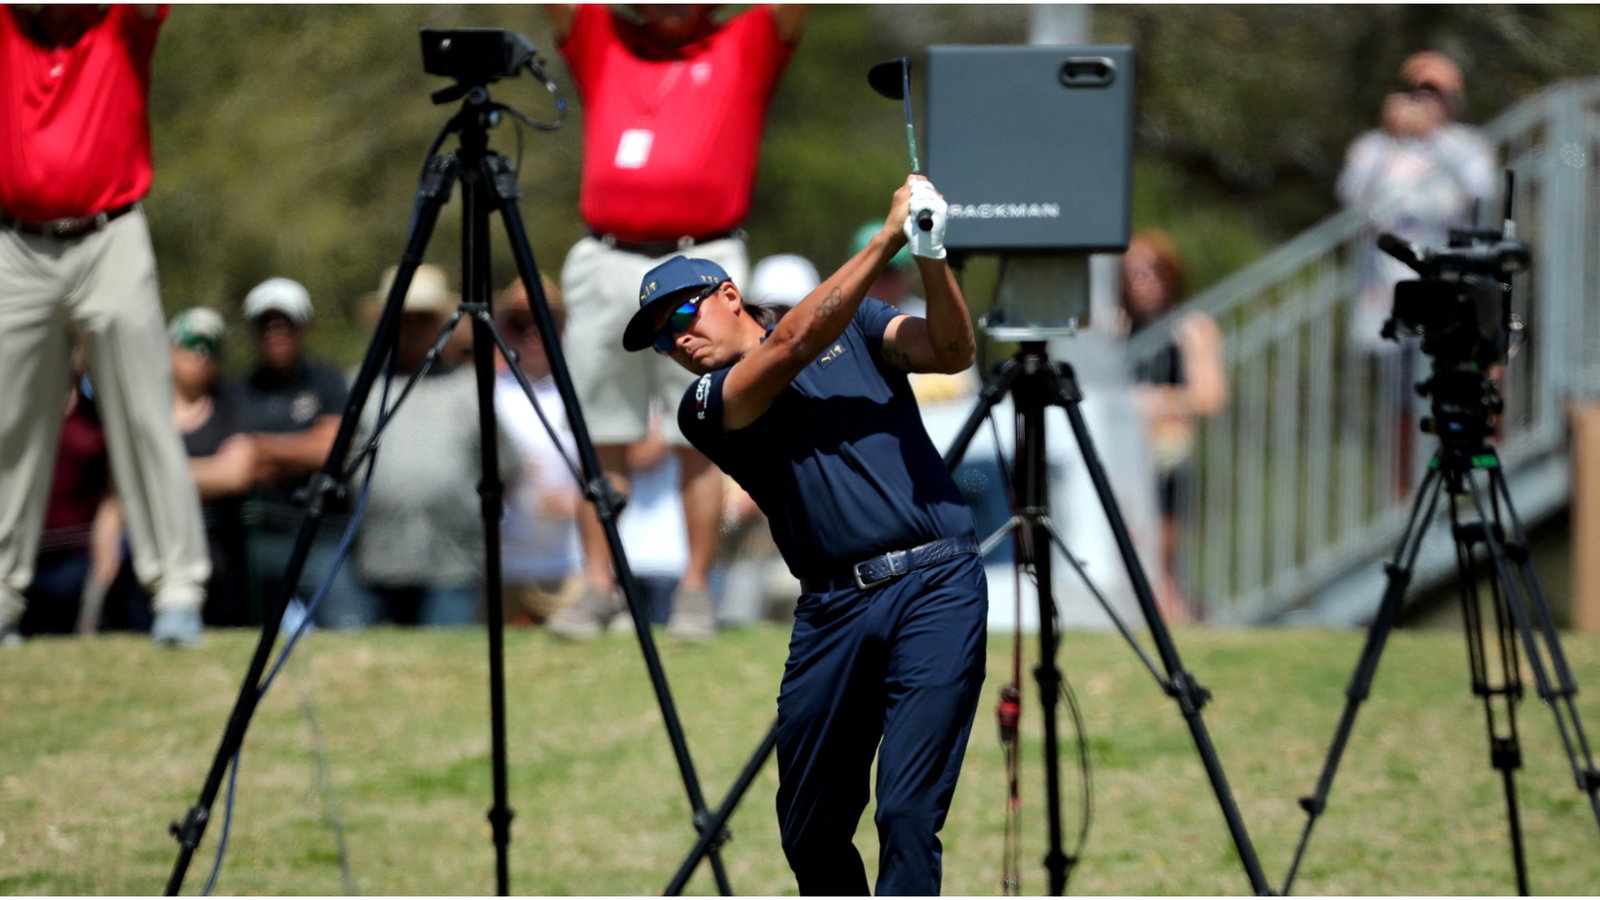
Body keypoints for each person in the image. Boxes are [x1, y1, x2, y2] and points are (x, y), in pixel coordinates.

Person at [621, 175, 985, 894]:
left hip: (935, 584)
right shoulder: (705, 404)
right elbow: (788, 346)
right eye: (661, 337)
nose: (677, 339)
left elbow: (950, 350)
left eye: (682, 314)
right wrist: (886, 238)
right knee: (810, 826)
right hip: (832, 610)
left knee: (909, 811)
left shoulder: (856, 324)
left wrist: (931, 254)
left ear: (729, 294)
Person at [541, 3, 807, 642]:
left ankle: (694, 593)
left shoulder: (741, 42)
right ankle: (599, 587)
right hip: (606, 256)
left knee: (705, 432)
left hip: (703, 254)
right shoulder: (607, 36)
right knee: (600, 433)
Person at [0, 4, 211, 648]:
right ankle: (2, 595)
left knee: (146, 416)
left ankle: (177, 588)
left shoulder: (121, 20)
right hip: (16, 246)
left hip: (110, 235)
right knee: (7, 423)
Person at [1337, 51, 1496, 494]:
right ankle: (1404, 497)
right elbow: (1350, 197)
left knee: (1469, 387)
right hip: (1393, 293)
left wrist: (1435, 137)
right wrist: (1391, 136)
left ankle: (1470, 481)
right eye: (1414, 89)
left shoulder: (1466, 145)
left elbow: (1482, 189)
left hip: (1454, 290)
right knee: (1402, 405)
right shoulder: (1373, 147)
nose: (1423, 100)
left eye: (1435, 91)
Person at [348, 264, 520, 627]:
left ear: (441, 324)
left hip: (452, 565)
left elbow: (506, 467)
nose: (410, 329)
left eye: (422, 319)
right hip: (374, 563)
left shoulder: (470, 388)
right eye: (402, 319)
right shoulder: (360, 387)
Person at [233, 276, 373, 629]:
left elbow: (330, 451)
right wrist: (300, 448)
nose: (275, 332)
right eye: (266, 324)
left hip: (321, 536)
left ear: (304, 328)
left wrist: (262, 446)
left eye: (285, 323)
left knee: (348, 629)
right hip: (256, 537)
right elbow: (236, 462)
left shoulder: (327, 382)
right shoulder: (237, 391)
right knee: (241, 635)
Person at [1117, 229, 1228, 623]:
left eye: (1153, 270)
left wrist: (1151, 401)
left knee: (1160, 561)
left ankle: (1181, 625)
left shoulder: (1191, 327)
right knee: (1134, 559)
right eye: (1133, 272)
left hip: (1168, 457)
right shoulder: (1115, 328)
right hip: (1122, 459)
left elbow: (1209, 396)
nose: (1143, 280)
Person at [494, 277, 583, 627]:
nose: (533, 333)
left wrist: (580, 501)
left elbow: (623, 467)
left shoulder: (580, 390)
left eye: (545, 321)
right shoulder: (483, 392)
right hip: (500, 565)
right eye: (519, 323)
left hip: (570, 565)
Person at [168, 308, 257, 627]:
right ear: (170, 350)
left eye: (212, 347)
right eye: (192, 343)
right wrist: (207, 472)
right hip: (158, 550)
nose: (201, 355)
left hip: (221, 555)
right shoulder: (149, 409)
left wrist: (160, 476)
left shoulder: (232, 407)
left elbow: (235, 475)